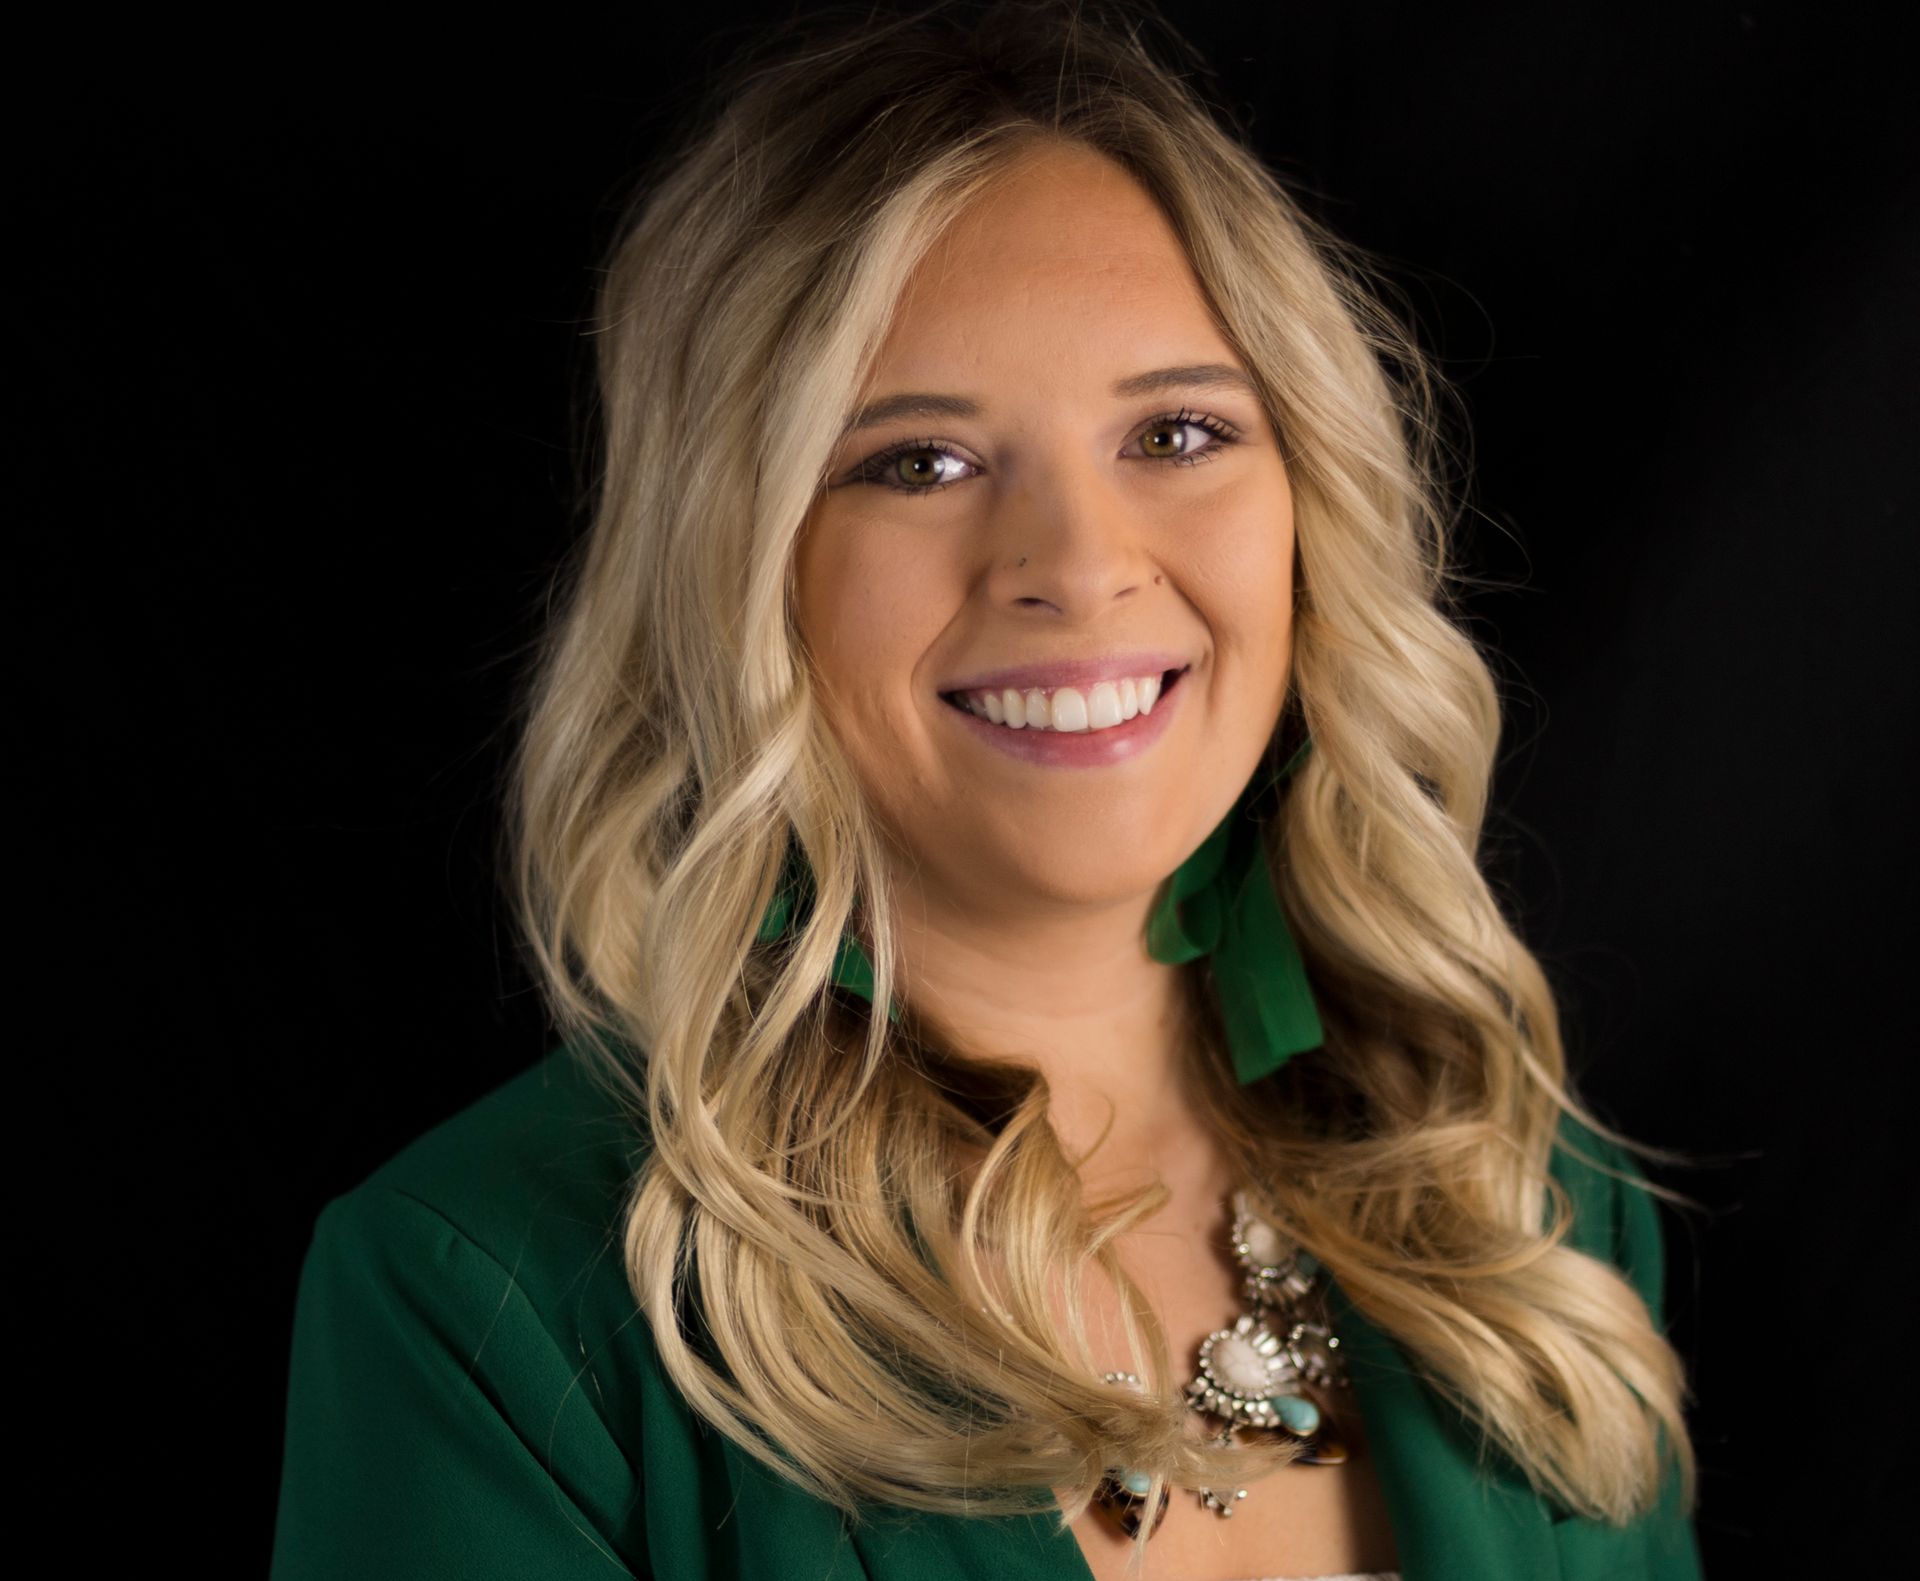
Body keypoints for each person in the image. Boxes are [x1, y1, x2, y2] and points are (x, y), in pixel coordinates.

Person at [269, 3, 1703, 1577]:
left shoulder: (1526, 1203)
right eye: (919, 462)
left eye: (1178, 430)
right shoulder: (487, 1300)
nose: (1081, 566)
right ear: (733, 570)